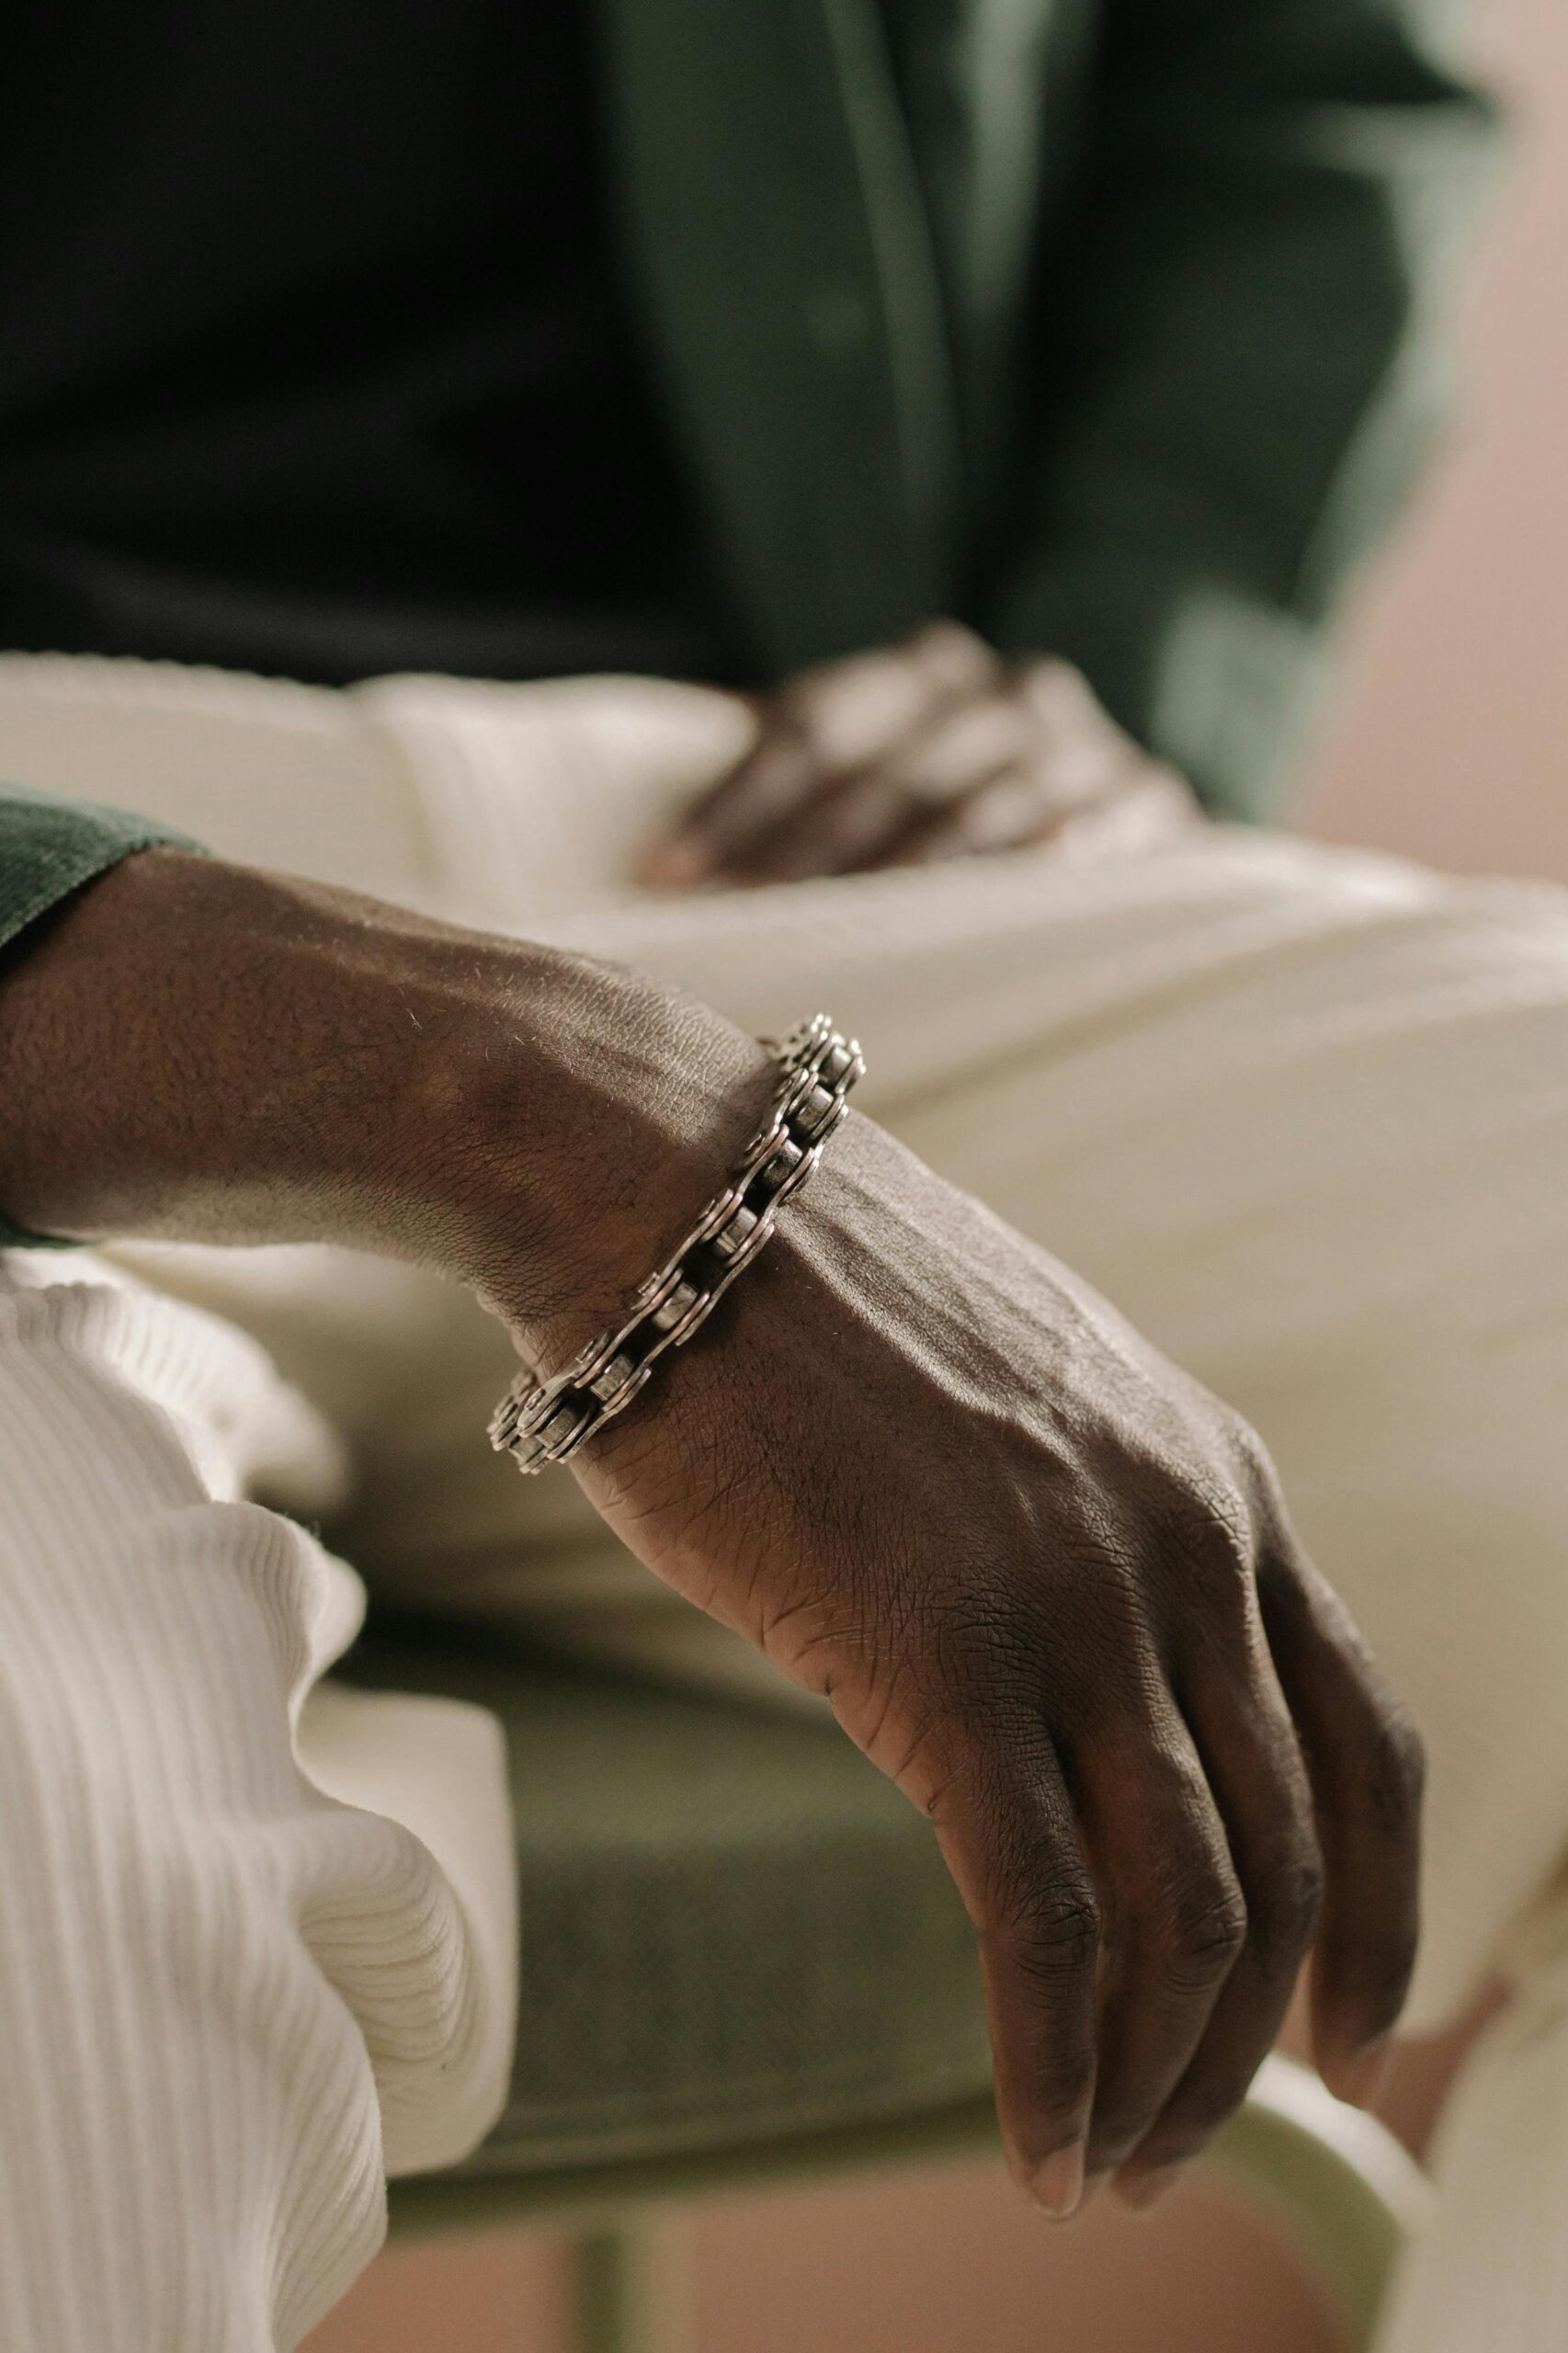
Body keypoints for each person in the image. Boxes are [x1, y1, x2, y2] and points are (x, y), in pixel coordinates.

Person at [0, 4, 1551, 2350]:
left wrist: (1113, 666)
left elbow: (1293, 61)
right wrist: (526, 1114)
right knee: (50, 1871)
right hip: (68, 895)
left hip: (765, 830)